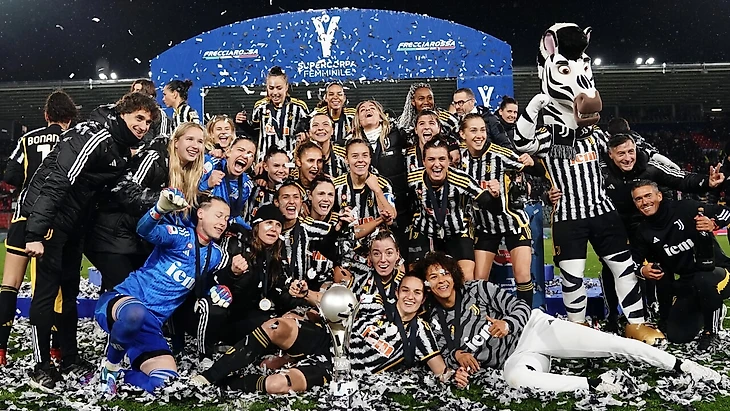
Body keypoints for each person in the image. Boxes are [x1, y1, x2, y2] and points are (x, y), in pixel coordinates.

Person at [512, 23, 661, 342]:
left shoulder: (597, 136)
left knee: (623, 267)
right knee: (573, 276)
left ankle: (636, 323)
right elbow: (522, 143)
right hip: (569, 216)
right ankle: (578, 330)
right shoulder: (552, 137)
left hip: (602, 210)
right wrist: (536, 104)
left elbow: (626, 151)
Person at [415, 251, 721, 393]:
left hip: (536, 329)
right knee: (516, 379)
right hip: (515, 357)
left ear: (453, 274)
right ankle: (596, 385)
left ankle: (680, 365)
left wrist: (507, 324)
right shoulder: (433, 319)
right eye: (433, 276)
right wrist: (458, 355)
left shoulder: (477, 289)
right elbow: (442, 352)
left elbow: (519, 306)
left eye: (444, 273)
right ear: (427, 285)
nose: (441, 280)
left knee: (611, 343)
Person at [21, 92, 159, 389]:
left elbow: (115, 192)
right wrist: (35, 233)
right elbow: (58, 180)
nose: (143, 126)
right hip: (51, 219)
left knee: (69, 289)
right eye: (139, 118)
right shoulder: (95, 135)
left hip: (73, 224)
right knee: (46, 292)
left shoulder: (121, 146)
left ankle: (68, 356)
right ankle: (39, 365)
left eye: (148, 122)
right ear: (122, 114)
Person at [192, 271, 451, 393]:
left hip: (339, 370)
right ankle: (208, 376)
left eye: (417, 292)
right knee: (276, 325)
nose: (410, 297)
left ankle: (225, 385)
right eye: (405, 290)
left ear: (423, 298)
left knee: (277, 385)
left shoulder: (420, 332)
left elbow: (440, 370)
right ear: (397, 292)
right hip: (325, 340)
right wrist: (307, 294)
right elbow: (333, 302)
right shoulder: (375, 304)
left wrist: (454, 374)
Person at [95, 191, 241, 394]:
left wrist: (221, 288)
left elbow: (205, 284)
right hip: (121, 303)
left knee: (165, 382)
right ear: (200, 214)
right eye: (218, 215)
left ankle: (122, 374)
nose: (223, 222)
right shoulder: (180, 236)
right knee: (135, 313)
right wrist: (159, 210)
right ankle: (110, 367)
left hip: (151, 324)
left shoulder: (216, 255)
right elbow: (144, 231)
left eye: (226, 218)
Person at [597, 133, 724, 331]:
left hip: (648, 227)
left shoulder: (650, 167)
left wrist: (707, 182)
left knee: (659, 269)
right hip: (615, 229)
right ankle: (613, 316)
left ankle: (657, 311)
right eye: (621, 154)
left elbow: (681, 178)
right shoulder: (599, 171)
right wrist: (550, 195)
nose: (628, 158)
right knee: (612, 269)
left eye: (631, 152)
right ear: (610, 154)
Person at [0, 90, 78, 366]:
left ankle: (1, 349)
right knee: (48, 290)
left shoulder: (27, 139)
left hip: (22, 216)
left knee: (9, 284)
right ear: (70, 118)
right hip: (51, 221)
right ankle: (54, 349)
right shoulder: (73, 139)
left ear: (46, 116)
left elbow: (10, 175)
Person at [85, 122, 205, 291]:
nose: (195, 146)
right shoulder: (154, 157)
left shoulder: (190, 173)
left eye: (200, 141)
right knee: (126, 293)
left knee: (127, 293)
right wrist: (160, 201)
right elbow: (123, 189)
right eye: (190, 139)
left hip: (137, 240)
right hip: (111, 235)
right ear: (176, 142)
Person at [630, 180, 730, 350]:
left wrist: (714, 223)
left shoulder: (685, 208)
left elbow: (726, 212)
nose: (644, 202)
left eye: (648, 196)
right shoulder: (643, 231)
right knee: (677, 336)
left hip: (719, 272)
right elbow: (632, 262)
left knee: (704, 279)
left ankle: (711, 331)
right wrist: (642, 270)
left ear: (659, 196)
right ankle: (708, 307)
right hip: (688, 282)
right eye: (638, 199)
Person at [459, 114, 539, 305]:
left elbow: (534, 169)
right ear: (462, 134)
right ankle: (480, 318)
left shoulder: (499, 154)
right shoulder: (459, 158)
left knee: (522, 275)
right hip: (485, 227)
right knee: (478, 281)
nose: (479, 135)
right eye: (473, 130)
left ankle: (525, 317)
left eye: (482, 130)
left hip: (514, 223)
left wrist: (532, 161)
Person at [407, 137, 495, 280]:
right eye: (431, 159)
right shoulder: (413, 179)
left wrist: (495, 195)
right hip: (426, 231)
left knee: (466, 277)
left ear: (449, 161)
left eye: (442, 159)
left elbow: (491, 206)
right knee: (415, 278)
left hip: (457, 231)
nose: (437, 164)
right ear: (424, 162)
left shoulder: (462, 180)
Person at [350, 100, 411, 254]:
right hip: (367, 210)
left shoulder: (397, 134)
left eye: (372, 108)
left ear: (381, 115)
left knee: (400, 252)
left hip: (399, 206)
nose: (367, 110)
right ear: (357, 119)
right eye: (362, 109)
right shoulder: (351, 142)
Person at [236, 66, 309, 162]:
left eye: (279, 88)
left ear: (286, 87)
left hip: (291, 162)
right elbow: (255, 133)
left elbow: (309, 129)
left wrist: (303, 131)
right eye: (271, 88)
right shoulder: (260, 107)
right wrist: (243, 123)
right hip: (265, 162)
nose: (275, 92)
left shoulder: (299, 107)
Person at [199, 137, 256, 228]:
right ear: (228, 152)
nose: (245, 156)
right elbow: (189, 194)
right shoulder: (211, 164)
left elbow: (233, 215)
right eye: (240, 150)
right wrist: (207, 184)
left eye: (250, 154)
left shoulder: (246, 186)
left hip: (221, 226)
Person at [243, 147, 291, 221]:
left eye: (285, 166)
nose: (281, 170)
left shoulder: (296, 190)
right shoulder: (253, 187)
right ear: (265, 166)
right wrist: (254, 175)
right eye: (276, 166)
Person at [307, 113, 347, 177]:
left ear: (332, 131)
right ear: (309, 132)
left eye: (325, 124)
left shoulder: (343, 154)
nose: (320, 128)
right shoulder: (301, 154)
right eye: (315, 125)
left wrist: (333, 181)